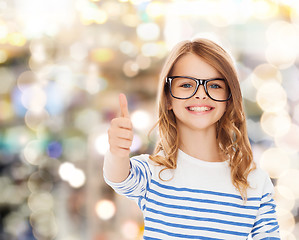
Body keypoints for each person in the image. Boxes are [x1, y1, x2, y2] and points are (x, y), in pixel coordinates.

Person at [103, 38, 280, 239]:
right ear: (168, 98)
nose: (201, 94)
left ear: (229, 99)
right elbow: (117, 177)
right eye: (187, 84)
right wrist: (117, 152)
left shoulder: (255, 182)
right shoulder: (153, 173)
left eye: (214, 85)